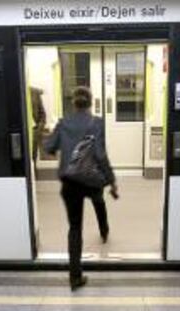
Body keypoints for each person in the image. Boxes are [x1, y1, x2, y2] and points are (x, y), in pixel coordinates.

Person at [45, 86, 118, 291]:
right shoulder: (97, 123)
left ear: (73, 103)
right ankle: (104, 231)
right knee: (99, 201)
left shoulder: (63, 123)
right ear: (91, 102)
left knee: (74, 228)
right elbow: (100, 154)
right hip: (91, 178)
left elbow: (49, 147)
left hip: (70, 182)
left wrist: (64, 150)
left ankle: (75, 277)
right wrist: (111, 180)